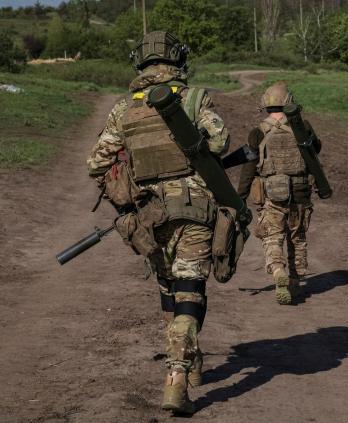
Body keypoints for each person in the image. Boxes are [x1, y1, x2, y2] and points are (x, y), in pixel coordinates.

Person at [86, 31, 230, 414]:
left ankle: (188, 364)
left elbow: (96, 164)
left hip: (149, 215)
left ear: (141, 63)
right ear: (178, 60)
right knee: (191, 289)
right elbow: (220, 143)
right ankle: (178, 376)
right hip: (196, 210)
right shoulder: (196, 98)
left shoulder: (124, 109)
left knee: (169, 286)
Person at [237, 82, 321, 305]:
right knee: (298, 237)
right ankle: (294, 282)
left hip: (272, 196)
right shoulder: (303, 127)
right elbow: (316, 150)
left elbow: (249, 167)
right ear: (290, 102)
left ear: (265, 104)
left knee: (272, 236)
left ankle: (277, 270)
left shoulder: (258, 132)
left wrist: (240, 197)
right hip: (301, 193)